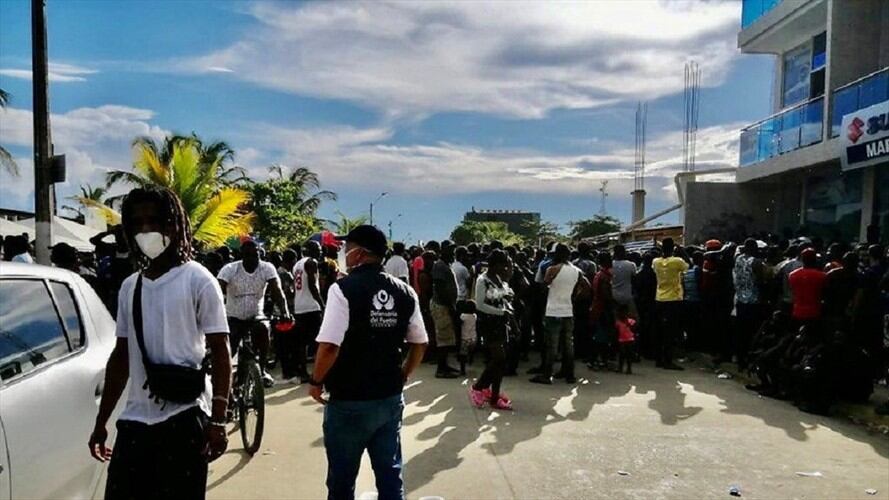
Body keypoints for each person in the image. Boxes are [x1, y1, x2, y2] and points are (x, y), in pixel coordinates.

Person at [89, 186, 232, 499]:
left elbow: (221, 351)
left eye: (154, 221)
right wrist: (102, 422)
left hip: (183, 419)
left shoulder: (198, 279)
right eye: (138, 223)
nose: (146, 230)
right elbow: (122, 356)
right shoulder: (131, 287)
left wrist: (219, 419)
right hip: (135, 423)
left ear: (174, 225)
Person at [308, 225, 428, 500]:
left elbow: (329, 346)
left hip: (349, 400)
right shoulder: (405, 292)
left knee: (341, 479)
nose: (343, 253)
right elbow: (420, 342)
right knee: (389, 475)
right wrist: (404, 374)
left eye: (346, 248)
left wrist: (316, 382)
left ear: (359, 253)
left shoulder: (343, 290)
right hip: (388, 397)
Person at [217, 239, 291, 387]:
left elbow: (277, 290)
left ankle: (261, 369)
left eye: (255, 254)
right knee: (228, 348)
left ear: (259, 254)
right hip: (233, 317)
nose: (252, 258)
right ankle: (224, 379)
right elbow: (217, 292)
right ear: (241, 255)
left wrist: (285, 312)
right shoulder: (229, 269)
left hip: (256, 315)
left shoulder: (267, 268)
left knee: (264, 329)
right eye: (248, 255)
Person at [531, 243, 586, 384]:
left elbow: (544, 287)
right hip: (568, 310)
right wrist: (572, 297)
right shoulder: (577, 271)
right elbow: (583, 288)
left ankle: (547, 374)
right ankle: (569, 374)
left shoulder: (552, 269)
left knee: (552, 345)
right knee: (568, 344)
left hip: (553, 310)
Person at [470, 249, 515, 409]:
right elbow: (480, 304)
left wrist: (505, 298)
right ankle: (478, 387)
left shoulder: (497, 278)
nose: (505, 269)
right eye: (503, 266)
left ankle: (495, 396)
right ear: (494, 265)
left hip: (500, 323)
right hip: (489, 324)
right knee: (499, 358)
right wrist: (500, 311)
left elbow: (498, 296)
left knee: (499, 363)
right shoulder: (482, 280)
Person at [652, 238, 688, 370]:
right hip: (673, 299)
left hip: (659, 298)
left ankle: (659, 359)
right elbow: (688, 265)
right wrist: (682, 252)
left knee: (660, 330)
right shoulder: (677, 261)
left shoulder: (656, 262)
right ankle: (667, 360)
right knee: (670, 331)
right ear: (673, 248)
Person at [733, 239, 766, 370]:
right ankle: (748, 359)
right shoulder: (756, 262)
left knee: (740, 331)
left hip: (740, 299)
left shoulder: (738, 259)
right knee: (751, 332)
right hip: (753, 301)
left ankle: (740, 359)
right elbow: (761, 280)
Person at [430, 240, 460, 378]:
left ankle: (445, 365)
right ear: (443, 251)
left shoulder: (446, 265)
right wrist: (450, 305)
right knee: (443, 338)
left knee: (448, 338)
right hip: (442, 305)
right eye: (450, 250)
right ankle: (441, 369)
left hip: (446, 304)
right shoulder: (439, 266)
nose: (453, 253)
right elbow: (440, 288)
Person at [787, 248, 827, 328]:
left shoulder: (793, 275)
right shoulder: (822, 276)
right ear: (815, 259)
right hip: (815, 312)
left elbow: (792, 291)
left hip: (797, 311)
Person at [457, 299, 478, 375]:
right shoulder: (474, 316)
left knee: (463, 354)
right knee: (471, 350)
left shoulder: (463, 316)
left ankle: (462, 370)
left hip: (465, 338)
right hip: (473, 338)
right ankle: (471, 358)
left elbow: (458, 324)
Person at [615, 304, 636, 374]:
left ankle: (629, 368)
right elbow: (616, 331)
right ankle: (620, 367)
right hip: (621, 340)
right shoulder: (618, 322)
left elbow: (635, 327)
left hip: (630, 339)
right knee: (622, 354)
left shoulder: (630, 321)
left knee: (629, 354)